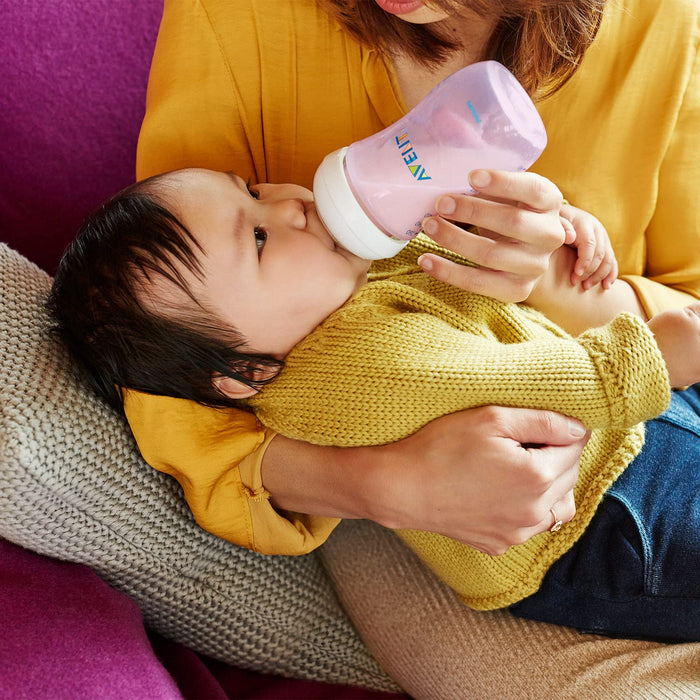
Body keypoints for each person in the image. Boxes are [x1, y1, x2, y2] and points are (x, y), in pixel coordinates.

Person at [126, 0, 700, 562]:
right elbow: (163, 361)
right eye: (257, 225)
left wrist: (549, 279)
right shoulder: (233, 15)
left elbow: (688, 306)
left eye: (256, 191)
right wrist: (389, 487)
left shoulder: (664, 23)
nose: (286, 204)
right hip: (506, 540)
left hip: (644, 420)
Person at [48, 165, 700, 641]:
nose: (289, 203)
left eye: (251, 190)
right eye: (259, 239)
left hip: (625, 435)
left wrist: (554, 229)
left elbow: (464, 261)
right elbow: (510, 382)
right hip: (592, 525)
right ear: (245, 370)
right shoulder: (345, 377)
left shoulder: (342, 279)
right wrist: (653, 357)